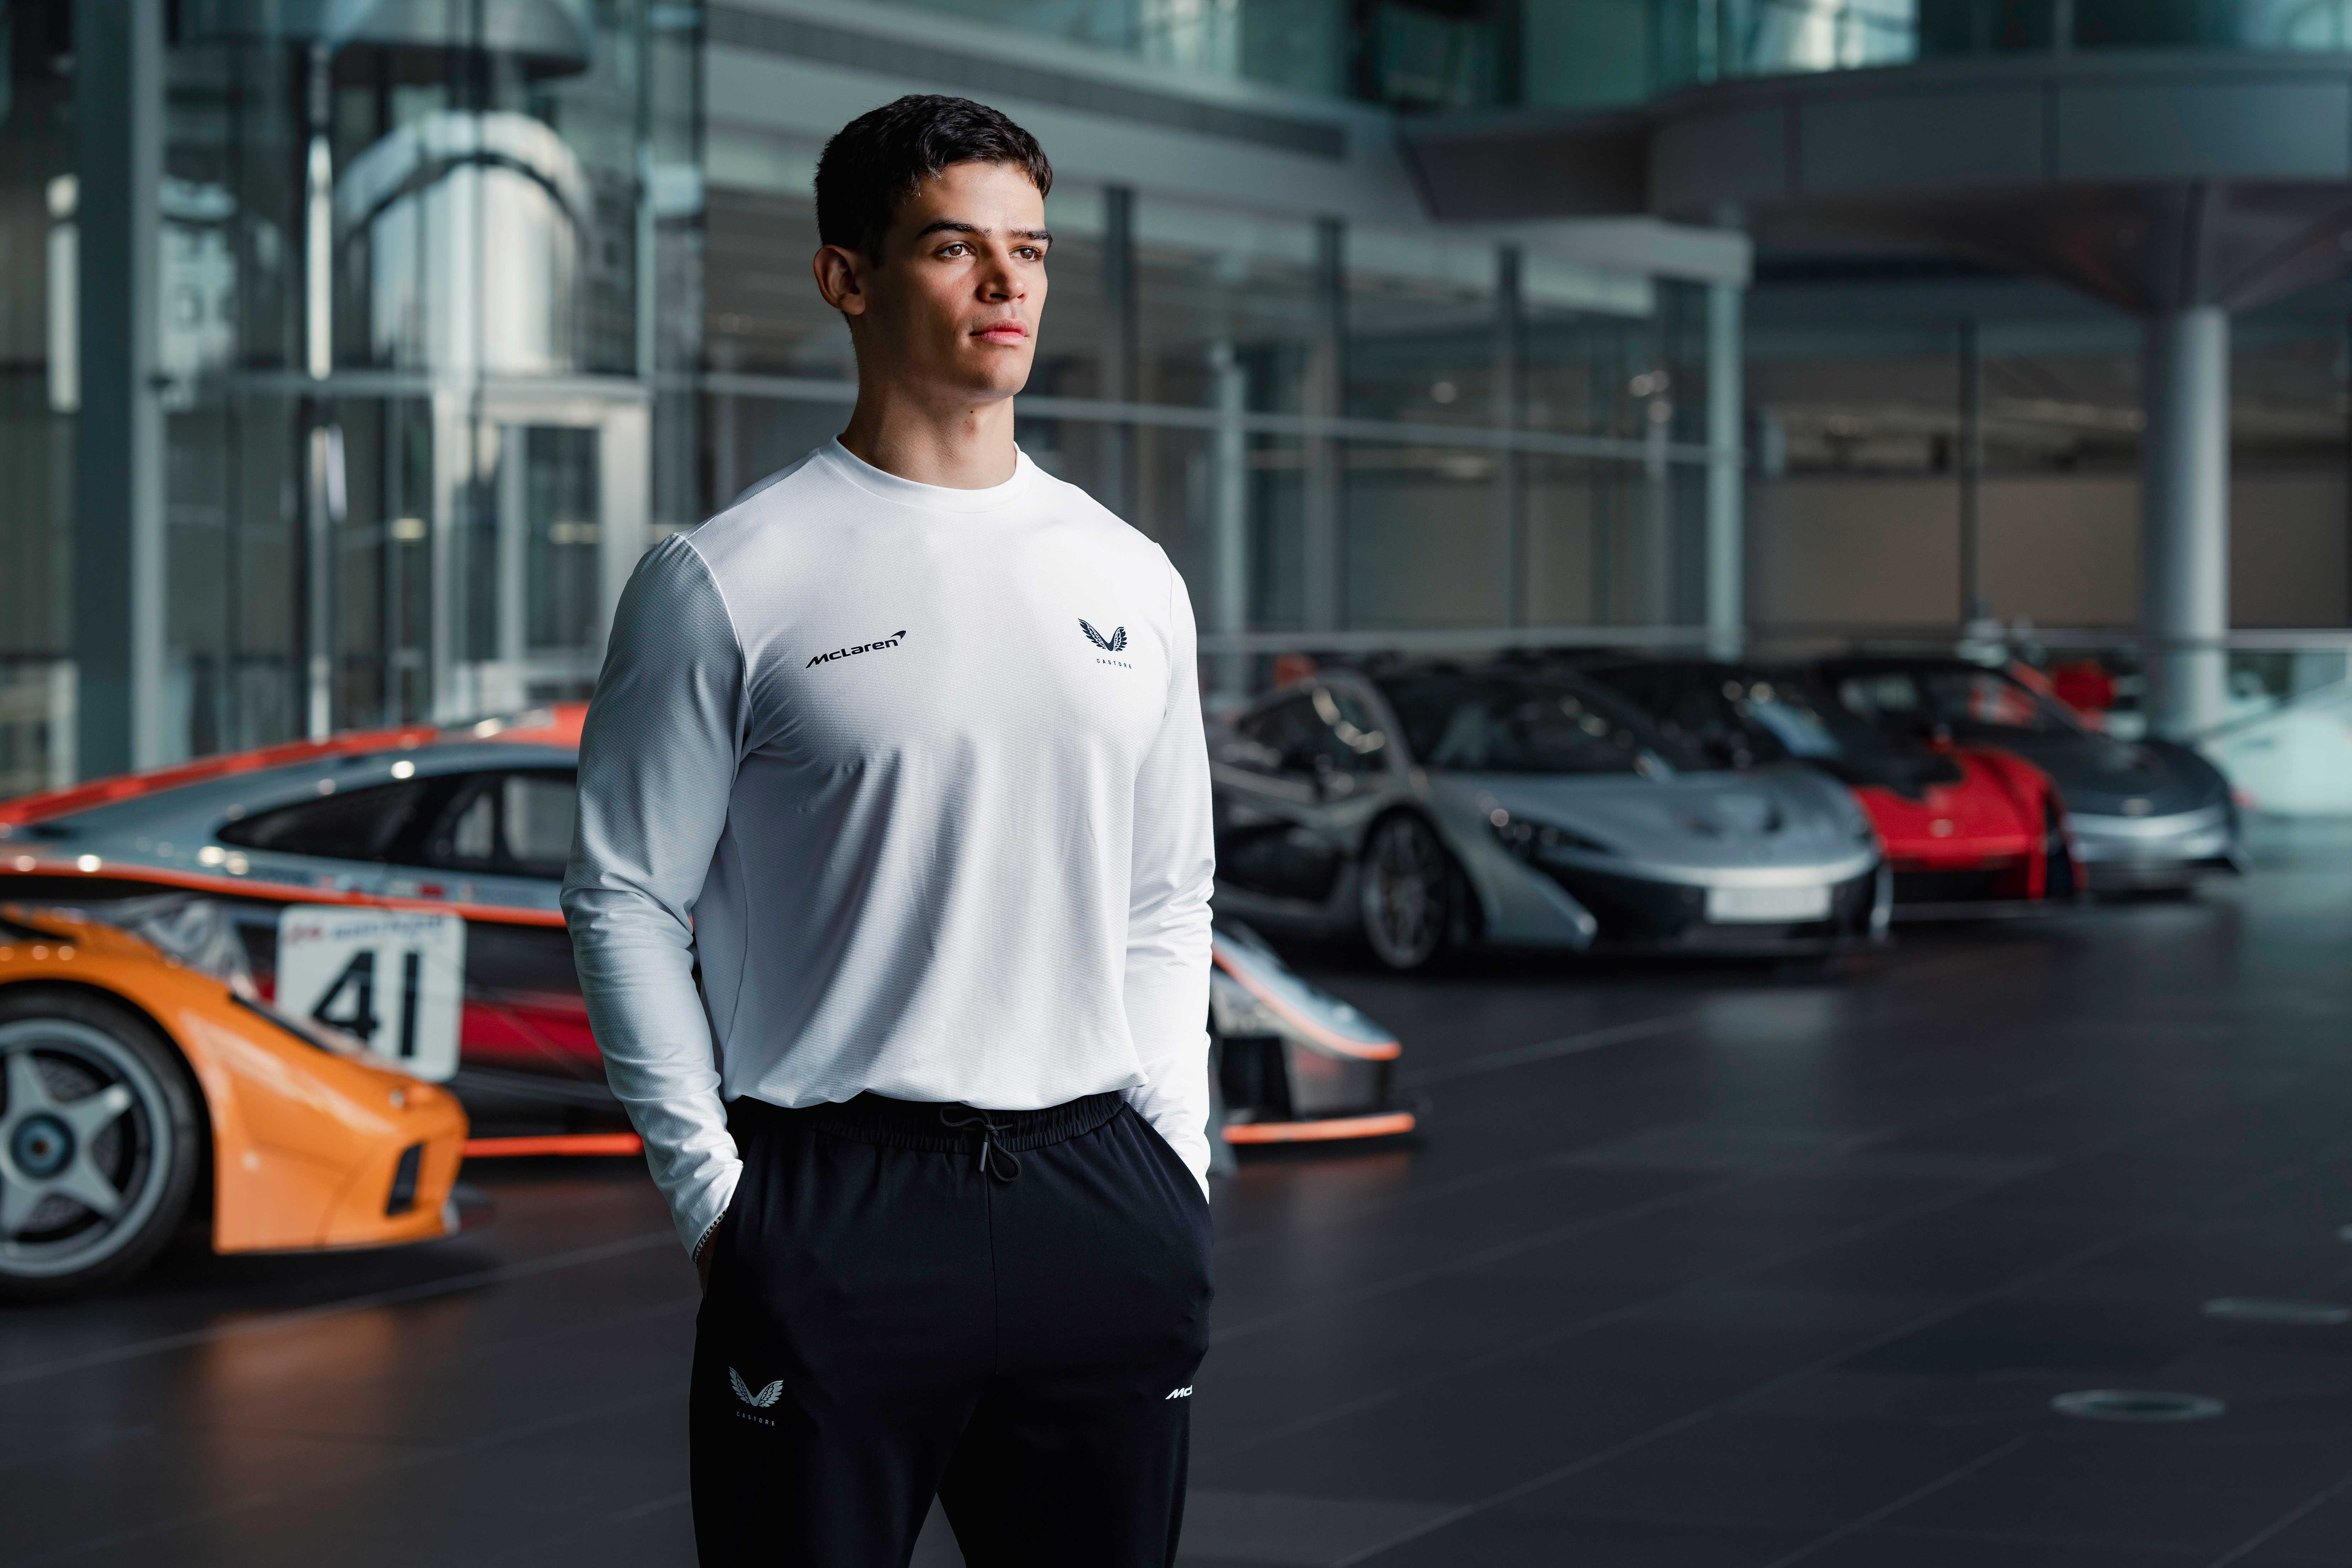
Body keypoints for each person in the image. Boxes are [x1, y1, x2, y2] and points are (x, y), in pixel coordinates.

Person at [560, 95, 1216, 1568]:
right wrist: (721, 1206)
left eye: (1030, 251)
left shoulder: (1130, 574)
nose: (1007, 285)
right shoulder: (727, 575)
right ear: (845, 277)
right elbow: (621, 896)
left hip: (1100, 1196)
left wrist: (1175, 1160)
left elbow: (1167, 899)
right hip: (833, 1204)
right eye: (954, 247)